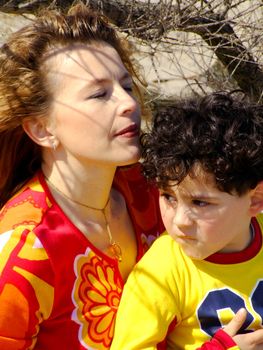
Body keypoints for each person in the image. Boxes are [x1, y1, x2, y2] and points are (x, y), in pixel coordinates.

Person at [0, 3, 165, 349]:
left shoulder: (157, 193)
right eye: (99, 94)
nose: (128, 104)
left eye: (126, 86)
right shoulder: (24, 250)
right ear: (42, 129)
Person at [110, 91, 263, 350]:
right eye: (168, 197)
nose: (179, 221)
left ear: (255, 200)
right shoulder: (159, 273)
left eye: (200, 202)